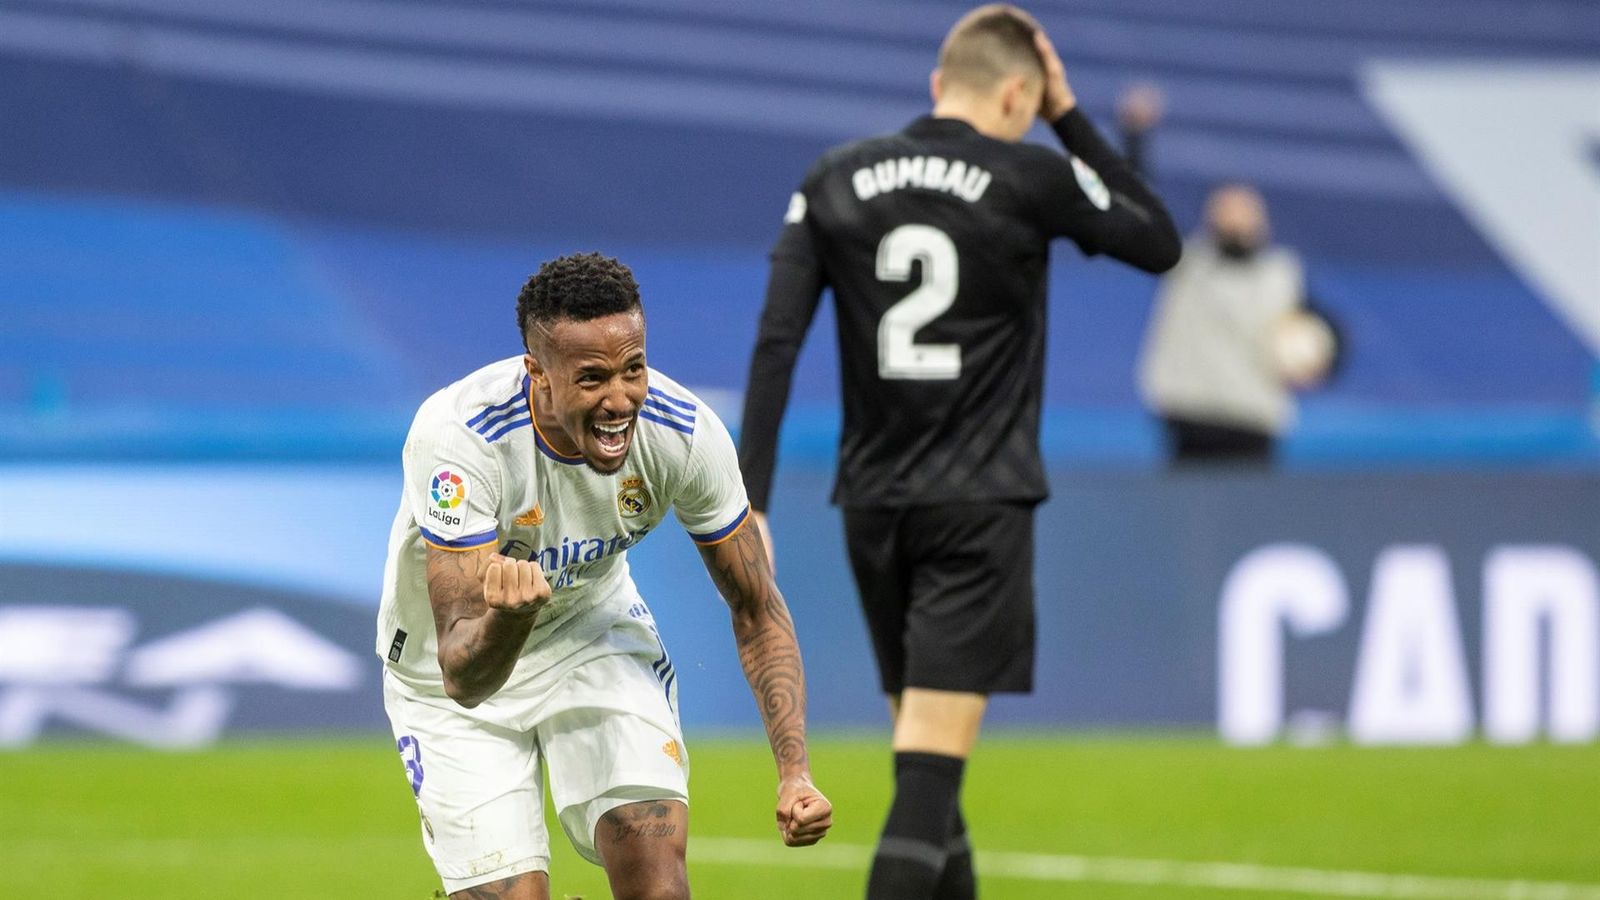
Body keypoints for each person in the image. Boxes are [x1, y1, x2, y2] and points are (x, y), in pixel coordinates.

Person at [737, 6, 1180, 899]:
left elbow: (776, 342)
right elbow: (1159, 241)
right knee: (928, 778)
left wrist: (748, 503)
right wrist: (1069, 116)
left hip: (872, 508)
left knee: (929, 769)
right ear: (1018, 92)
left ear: (938, 84)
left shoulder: (834, 177)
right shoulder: (1032, 173)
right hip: (979, 506)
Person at [377, 252, 832, 900]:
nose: (620, 400)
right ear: (538, 372)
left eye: (634, 369)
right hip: (444, 675)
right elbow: (461, 673)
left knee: (658, 885)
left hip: (590, 633)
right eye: (591, 379)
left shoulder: (683, 433)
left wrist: (794, 772)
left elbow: (756, 605)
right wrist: (510, 616)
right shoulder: (460, 440)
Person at [1137, 182, 1334, 465]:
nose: (1235, 223)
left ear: (1263, 223)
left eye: (1243, 214)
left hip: (1252, 421)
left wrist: (1320, 363)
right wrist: (1137, 144)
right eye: (1226, 213)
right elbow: (1140, 209)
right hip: (1190, 418)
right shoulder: (1188, 264)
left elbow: (1325, 337)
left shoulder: (1283, 276)